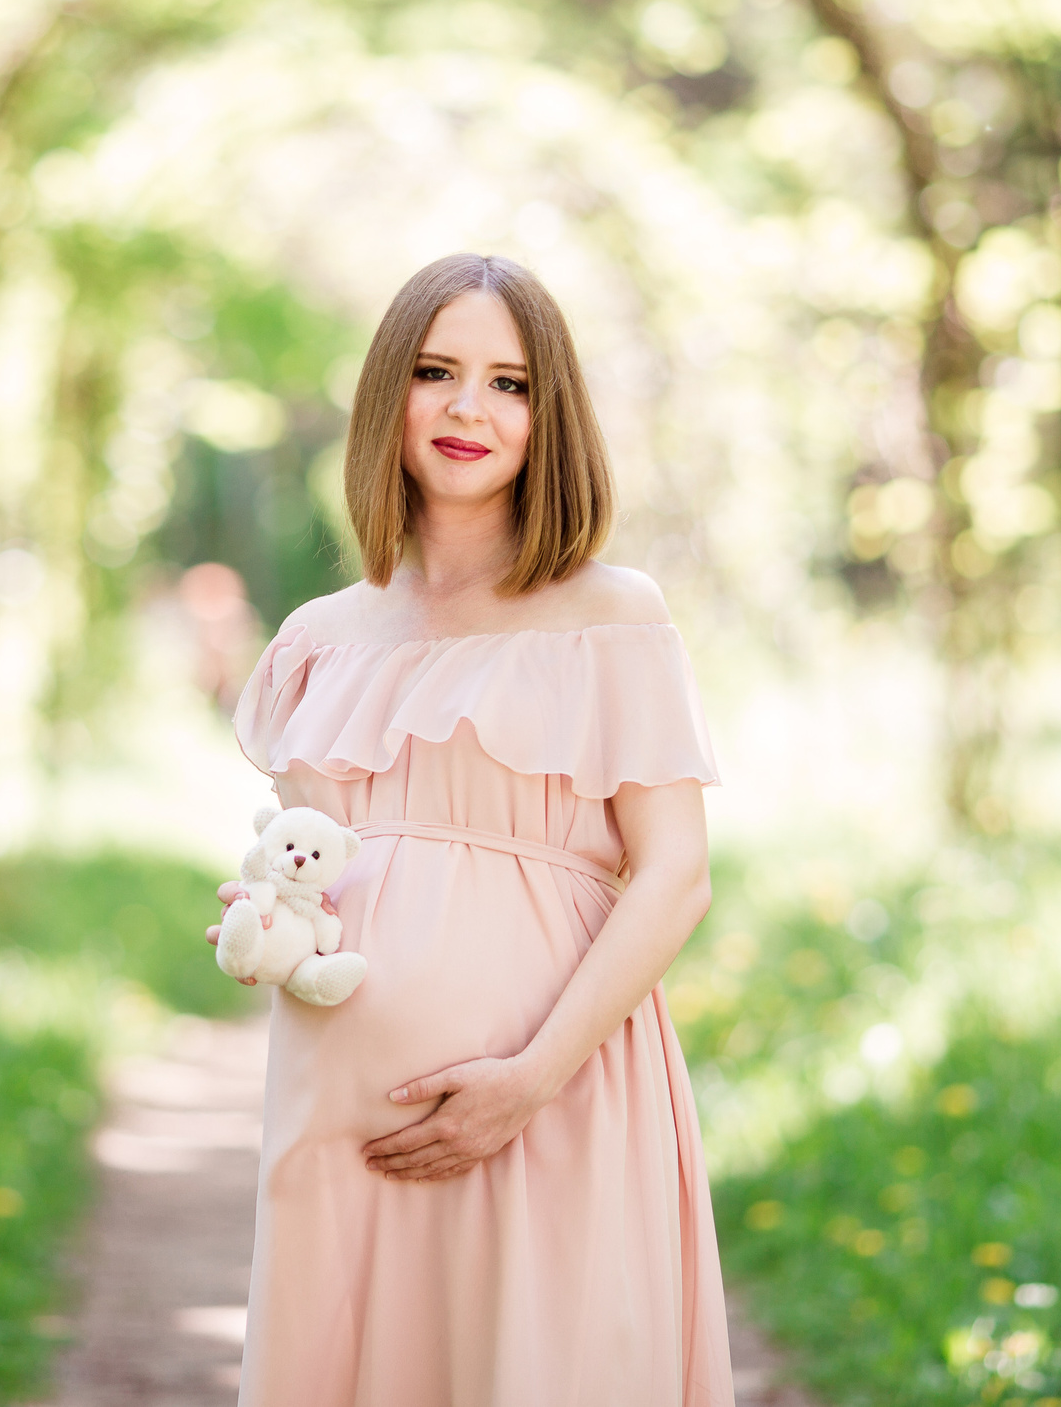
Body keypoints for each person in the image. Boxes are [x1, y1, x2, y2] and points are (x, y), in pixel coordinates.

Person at [208, 253, 732, 1405]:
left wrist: (529, 1077)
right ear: (388, 393)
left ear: (551, 417)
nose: (466, 408)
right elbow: (316, 874)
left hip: (555, 1087)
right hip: (346, 1110)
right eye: (437, 371)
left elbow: (675, 876)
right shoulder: (318, 639)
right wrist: (264, 918)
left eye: (509, 383)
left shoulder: (610, 616)